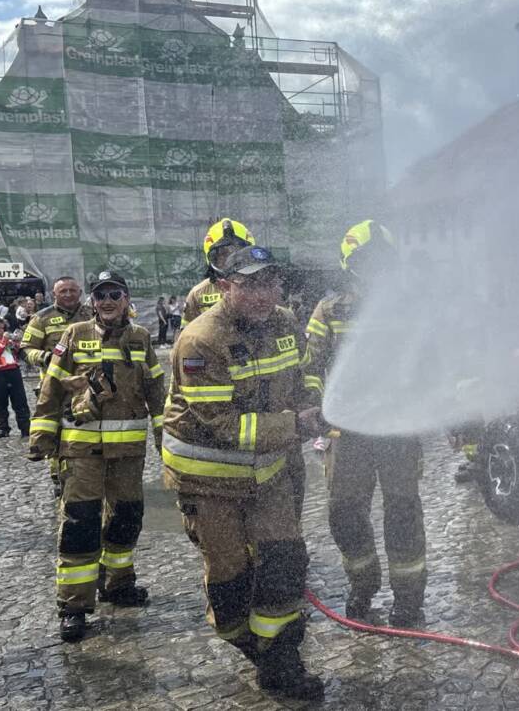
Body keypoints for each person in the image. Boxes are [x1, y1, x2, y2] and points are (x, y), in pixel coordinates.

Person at [162, 245, 324, 701]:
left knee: (285, 562)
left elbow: (303, 375)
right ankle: (247, 642)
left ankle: (281, 662)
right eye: (250, 283)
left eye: (271, 282)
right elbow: (225, 425)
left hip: (266, 472)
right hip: (208, 480)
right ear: (223, 286)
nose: (263, 293)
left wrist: (314, 398)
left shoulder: (286, 323)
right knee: (230, 581)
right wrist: (298, 424)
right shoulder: (200, 341)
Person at [26, 271, 165, 643]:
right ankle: (74, 607)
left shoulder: (140, 338)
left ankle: (118, 586)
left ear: (126, 298)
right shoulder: (74, 334)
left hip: (128, 453)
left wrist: (166, 442)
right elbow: (52, 385)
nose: (107, 300)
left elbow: (156, 392)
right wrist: (41, 433)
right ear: (93, 300)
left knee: (125, 519)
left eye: (114, 293)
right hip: (81, 449)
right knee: (80, 524)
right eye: (101, 294)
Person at [304, 219, 427, 628]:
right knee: (343, 510)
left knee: (403, 509)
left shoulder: (409, 304)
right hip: (348, 431)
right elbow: (311, 367)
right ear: (349, 263)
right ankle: (363, 582)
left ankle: (408, 599)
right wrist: (315, 405)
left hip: (397, 429)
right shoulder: (330, 309)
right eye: (364, 259)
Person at [19, 277, 94, 496]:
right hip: (54, 387)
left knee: (88, 430)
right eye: (63, 291)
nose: (68, 294)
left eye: (72, 290)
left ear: (80, 292)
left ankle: (89, 473)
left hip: (87, 386)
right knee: (55, 433)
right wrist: (45, 357)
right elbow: (26, 349)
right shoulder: (42, 318)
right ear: (54, 294)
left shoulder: (92, 314)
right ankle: (58, 478)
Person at [182, 218, 255, 326]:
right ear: (213, 258)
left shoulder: (263, 288)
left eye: (237, 252)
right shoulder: (198, 294)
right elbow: (186, 336)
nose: (231, 258)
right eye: (223, 254)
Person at [0, 316, 30, 438]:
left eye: (2, 328)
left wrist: (16, 344)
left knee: (21, 401)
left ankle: (25, 427)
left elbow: (17, 353)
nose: (1, 331)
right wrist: (4, 341)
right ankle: (3, 429)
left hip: (13, 372)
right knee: (0, 403)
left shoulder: (5, 340)